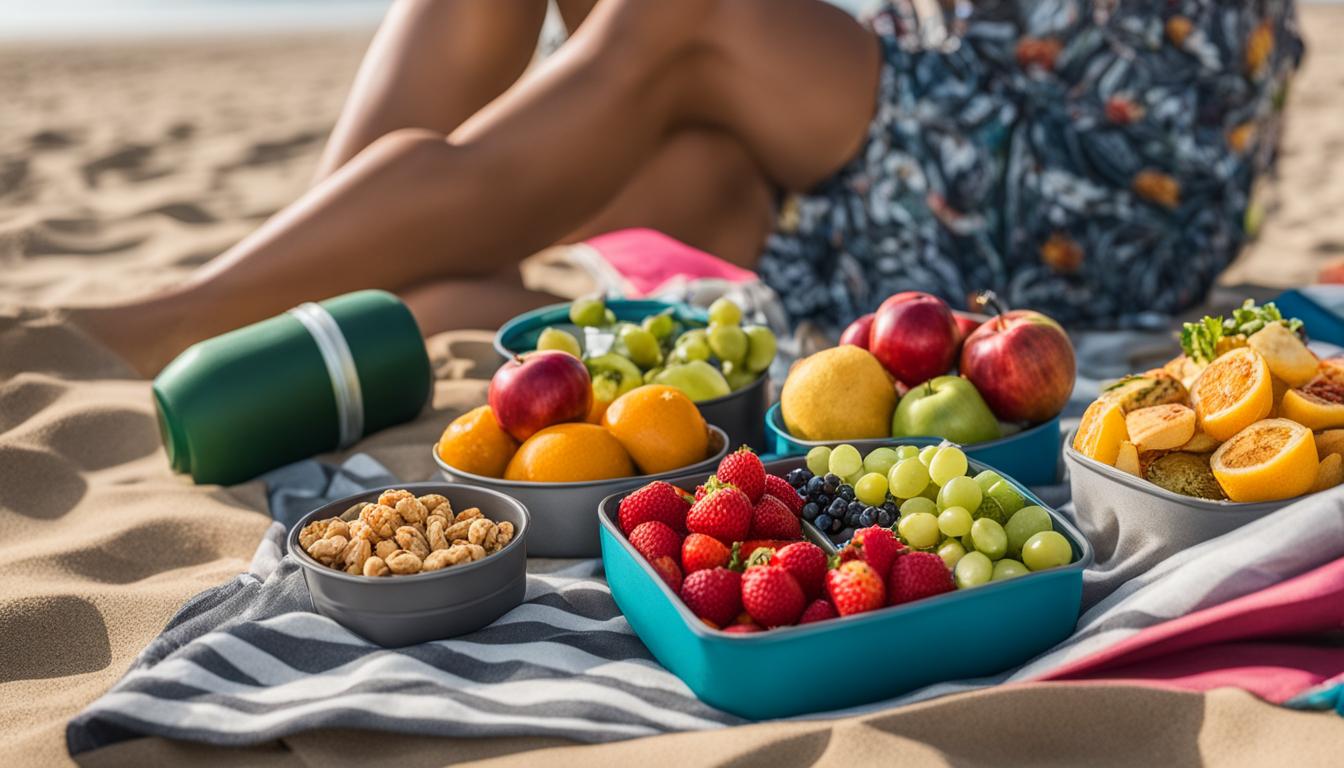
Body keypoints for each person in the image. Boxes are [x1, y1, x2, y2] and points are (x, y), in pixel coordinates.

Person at [70, 0, 1302, 377]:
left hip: (1106, 172)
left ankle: (197, 319)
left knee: (687, 19)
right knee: (674, 94)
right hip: (901, 130)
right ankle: (331, 303)